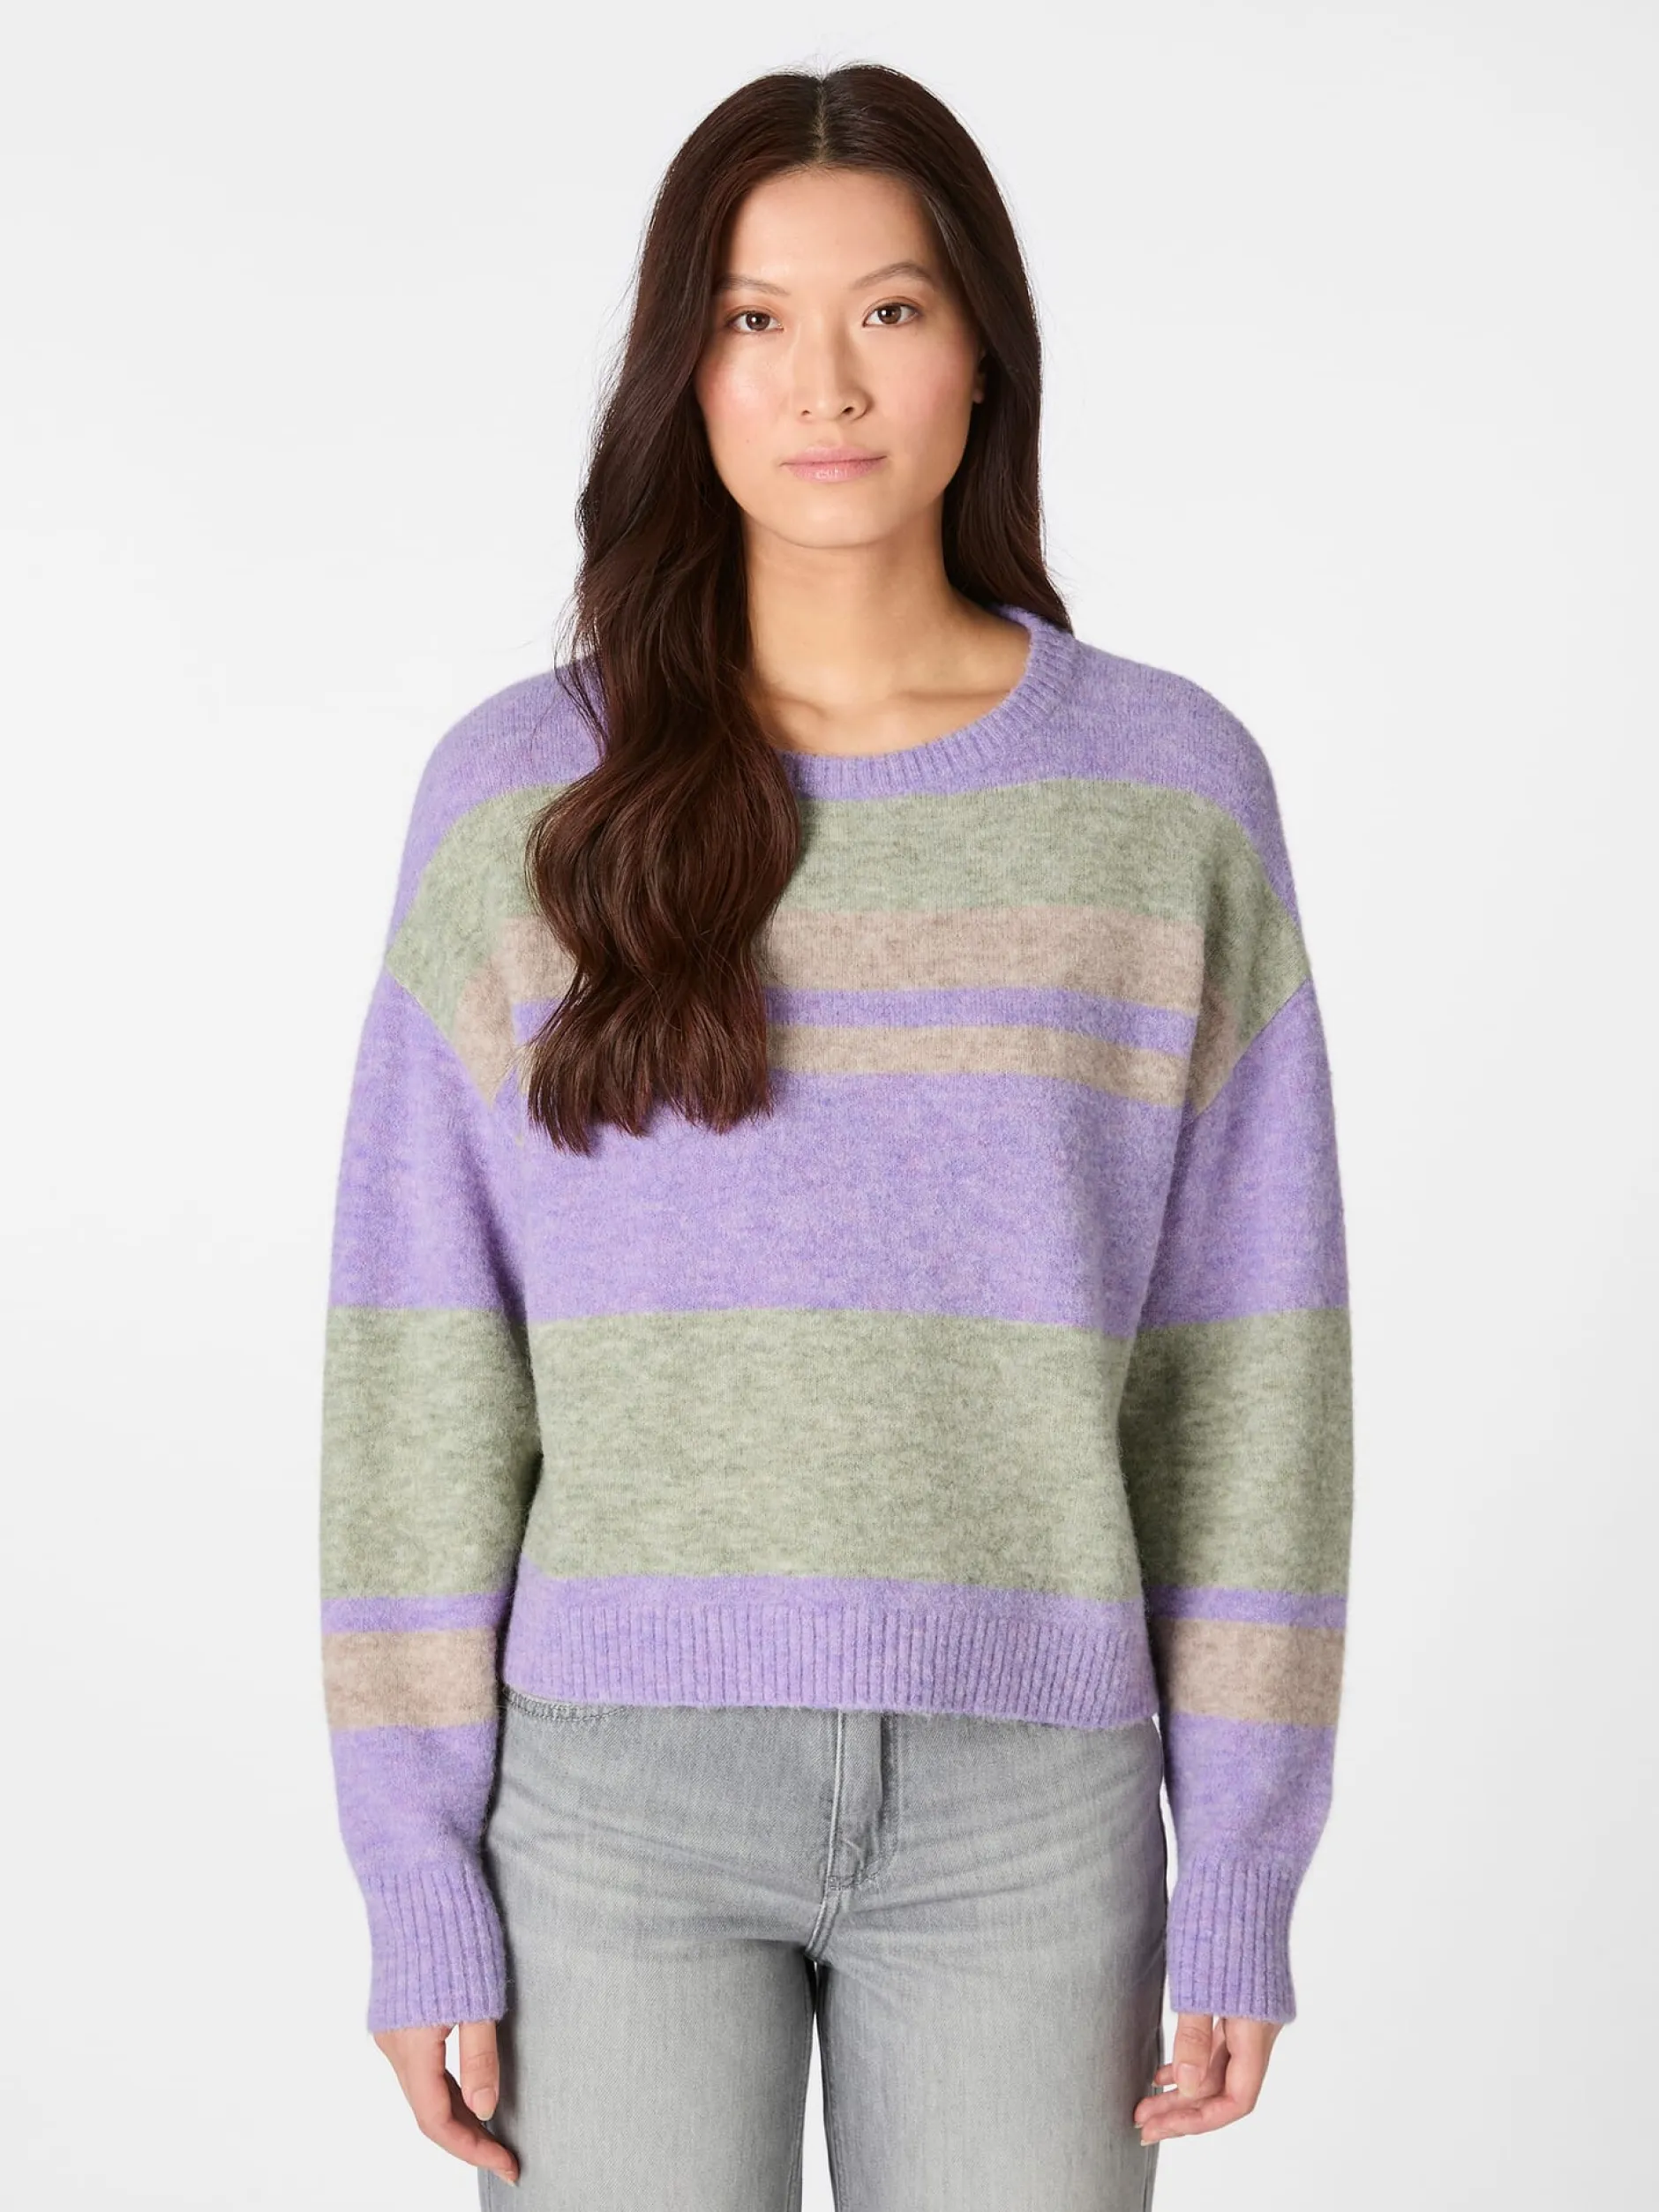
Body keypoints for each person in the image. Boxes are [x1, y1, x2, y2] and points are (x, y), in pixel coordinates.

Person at [318, 60, 1354, 2212]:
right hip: (606, 1802)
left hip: (1031, 1795)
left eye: (888, 308)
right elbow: (421, 1361)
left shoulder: (1165, 796)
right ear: (680, 371)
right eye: (752, 318)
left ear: (982, 351)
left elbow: (1249, 1366)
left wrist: (1244, 1862)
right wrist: (413, 1873)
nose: (826, 382)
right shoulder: (522, 801)